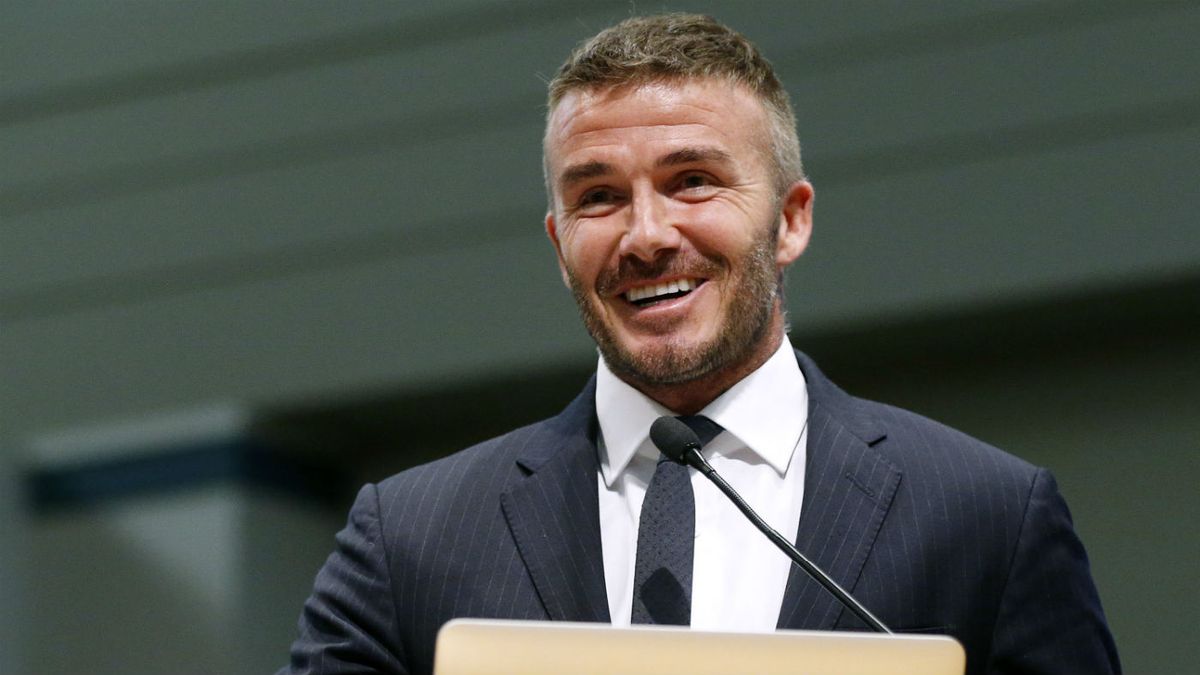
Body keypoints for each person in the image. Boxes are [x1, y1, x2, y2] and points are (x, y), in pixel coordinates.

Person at [280, 14, 1120, 675]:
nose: (647, 235)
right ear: (556, 239)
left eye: (693, 182)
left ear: (790, 220)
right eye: (599, 196)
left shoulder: (986, 519)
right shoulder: (412, 538)